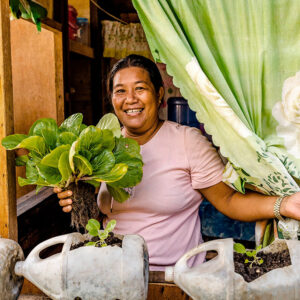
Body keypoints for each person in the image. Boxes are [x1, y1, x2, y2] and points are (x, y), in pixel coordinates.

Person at [55, 54, 300, 271]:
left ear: (159, 95)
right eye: (120, 91)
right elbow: (97, 213)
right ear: (112, 99)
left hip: (174, 276)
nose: (130, 99)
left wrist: (284, 204)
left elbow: (229, 200)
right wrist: (75, 195)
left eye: (140, 88)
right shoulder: (101, 145)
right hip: (112, 271)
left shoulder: (186, 141)